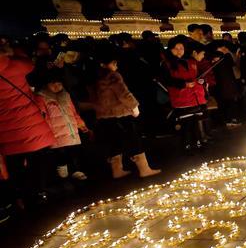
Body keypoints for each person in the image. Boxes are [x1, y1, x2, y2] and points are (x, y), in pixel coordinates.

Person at [0, 42, 56, 204]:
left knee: (15, 166)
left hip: (5, 130)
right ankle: (39, 193)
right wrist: (15, 51)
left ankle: (19, 198)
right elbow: (29, 64)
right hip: (30, 125)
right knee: (37, 162)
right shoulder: (14, 65)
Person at [94, 48, 160, 178]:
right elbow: (123, 93)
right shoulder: (112, 76)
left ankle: (117, 170)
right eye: (113, 63)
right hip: (120, 113)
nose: (116, 66)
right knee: (134, 139)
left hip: (104, 115)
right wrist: (134, 107)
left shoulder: (94, 78)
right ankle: (144, 169)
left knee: (114, 141)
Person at [36, 70, 89, 180]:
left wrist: (80, 123)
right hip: (55, 132)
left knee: (73, 151)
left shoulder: (66, 95)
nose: (56, 86)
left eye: (59, 84)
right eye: (53, 84)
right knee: (60, 154)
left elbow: (73, 112)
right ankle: (62, 172)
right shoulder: (42, 98)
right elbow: (42, 116)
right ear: (46, 85)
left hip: (70, 130)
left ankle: (75, 170)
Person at [164, 37, 207, 153]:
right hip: (181, 99)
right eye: (176, 48)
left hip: (195, 97)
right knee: (186, 125)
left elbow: (196, 76)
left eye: (181, 48)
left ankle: (198, 143)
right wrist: (184, 84)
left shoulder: (190, 62)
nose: (179, 51)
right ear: (170, 49)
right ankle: (187, 145)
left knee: (196, 122)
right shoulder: (167, 64)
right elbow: (167, 80)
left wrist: (201, 81)